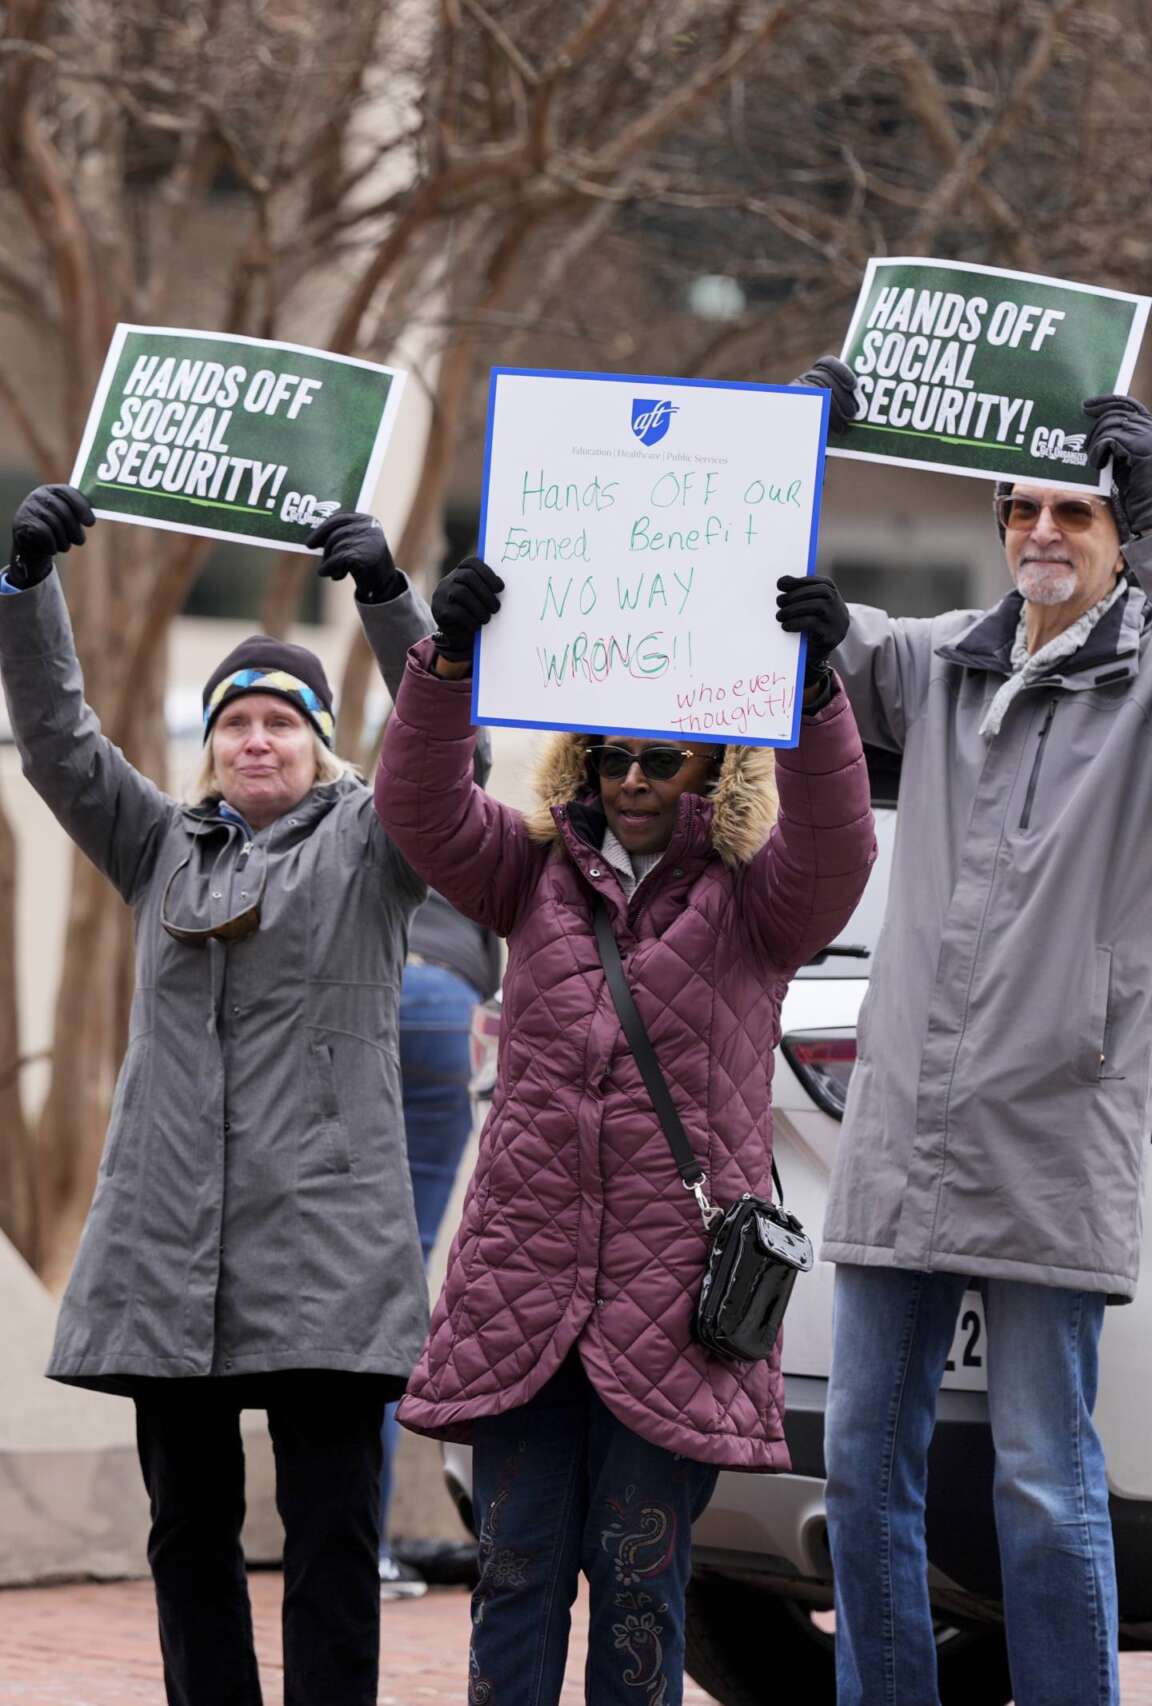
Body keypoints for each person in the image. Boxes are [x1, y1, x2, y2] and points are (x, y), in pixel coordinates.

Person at [372, 553, 873, 1704]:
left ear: (712, 763)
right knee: (513, 1578)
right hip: (521, 1293)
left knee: (643, 1591)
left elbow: (841, 850)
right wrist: (444, 668)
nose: (634, 776)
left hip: (672, 1311)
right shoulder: (528, 875)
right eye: (612, 754)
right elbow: (418, 805)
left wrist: (813, 696)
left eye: (661, 756)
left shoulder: (758, 905)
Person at [0, 485, 438, 1706]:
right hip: (167, 1247)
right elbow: (56, 746)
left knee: (332, 1535)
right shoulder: (158, 847)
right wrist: (27, 586)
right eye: (235, 721)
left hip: (325, 1251)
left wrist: (390, 604)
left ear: (320, 742)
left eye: (281, 723)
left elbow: (452, 755)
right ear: (210, 744)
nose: (256, 740)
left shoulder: (374, 844)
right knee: (187, 1533)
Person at [795, 356, 1152, 1706]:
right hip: (904, 1131)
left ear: (1122, 539)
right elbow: (768, 623)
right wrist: (791, 451)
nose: (1044, 534)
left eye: (1078, 513)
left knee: (1047, 1477)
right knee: (859, 1467)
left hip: (1057, 1127)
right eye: (1023, 512)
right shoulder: (938, 659)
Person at [377, 887, 500, 1600]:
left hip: (366, 1002)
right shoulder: (475, 822)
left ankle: (357, 1544)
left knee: (348, 1279)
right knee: (400, 1273)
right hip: (449, 1011)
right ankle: (376, 1551)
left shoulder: (363, 812)